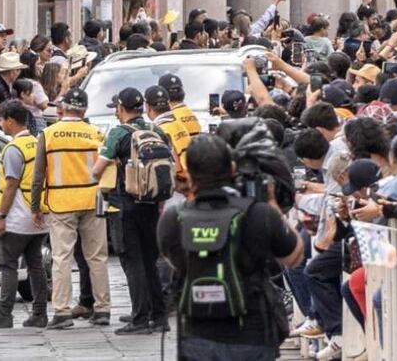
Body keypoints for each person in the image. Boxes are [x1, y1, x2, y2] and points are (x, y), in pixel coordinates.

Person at [158, 134, 303, 361]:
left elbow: (174, 262)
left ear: (187, 174)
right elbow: (294, 257)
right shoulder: (259, 214)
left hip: (197, 335)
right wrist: (273, 204)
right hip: (253, 333)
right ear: (232, 168)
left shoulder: (173, 218)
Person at [30, 87, 111, 329]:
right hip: (91, 199)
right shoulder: (95, 133)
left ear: (62, 108)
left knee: (62, 257)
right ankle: (103, 308)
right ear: (84, 109)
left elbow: (38, 175)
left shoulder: (49, 134)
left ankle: (62, 312)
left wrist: (36, 206)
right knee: (97, 257)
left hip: (61, 202)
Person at [93, 87, 171, 334]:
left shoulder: (118, 133)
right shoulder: (156, 130)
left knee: (133, 262)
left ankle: (139, 319)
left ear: (121, 108)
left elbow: (97, 170)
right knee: (150, 261)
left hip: (125, 206)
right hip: (152, 204)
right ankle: (159, 318)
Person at [0, 101, 49, 329]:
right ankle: (39, 313)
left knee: (8, 264)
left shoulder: (13, 149)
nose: (0, 124)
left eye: (1, 119)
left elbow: (10, 186)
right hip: (39, 215)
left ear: (10, 120)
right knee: (35, 264)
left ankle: (4, 313)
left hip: (18, 216)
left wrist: (1, 216)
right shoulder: (36, 143)